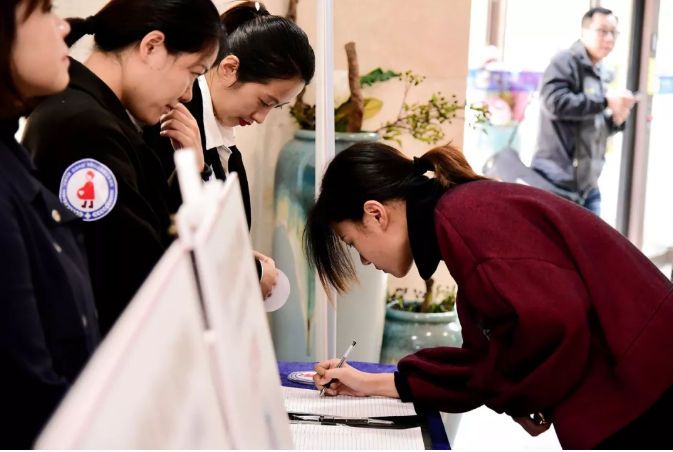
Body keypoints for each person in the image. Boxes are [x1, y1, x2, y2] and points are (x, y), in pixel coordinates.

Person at [304, 141, 673, 449]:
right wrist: (368, 383)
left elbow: (552, 320)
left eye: (352, 243)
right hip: (635, 380)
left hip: (641, 386)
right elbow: (485, 362)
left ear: (375, 214)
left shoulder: (465, 219)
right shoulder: (461, 213)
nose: (364, 261)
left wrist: (518, 393)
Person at [23, 0, 223, 335]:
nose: (188, 95)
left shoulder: (95, 116)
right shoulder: (85, 129)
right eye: (193, 73)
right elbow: (135, 279)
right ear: (152, 46)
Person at [145, 0, 315, 298]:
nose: (261, 118)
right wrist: (248, 270)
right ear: (229, 68)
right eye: (264, 102)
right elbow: (162, 237)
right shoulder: (170, 121)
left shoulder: (225, 145)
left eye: (275, 108)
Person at [0, 0, 101, 447]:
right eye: (43, 10)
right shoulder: (82, 123)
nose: (62, 26)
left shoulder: (12, 153)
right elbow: (26, 383)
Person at [531, 7, 635, 216]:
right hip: (556, 181)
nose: (609, 38)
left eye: (614, 32)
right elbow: (553, 103)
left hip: (588, 185)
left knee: (594, 237)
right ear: (584, 32)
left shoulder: (602, 70)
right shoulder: (564, 61)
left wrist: (616, 120)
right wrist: (605, 101)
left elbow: (592, 124)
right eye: (603, 31)